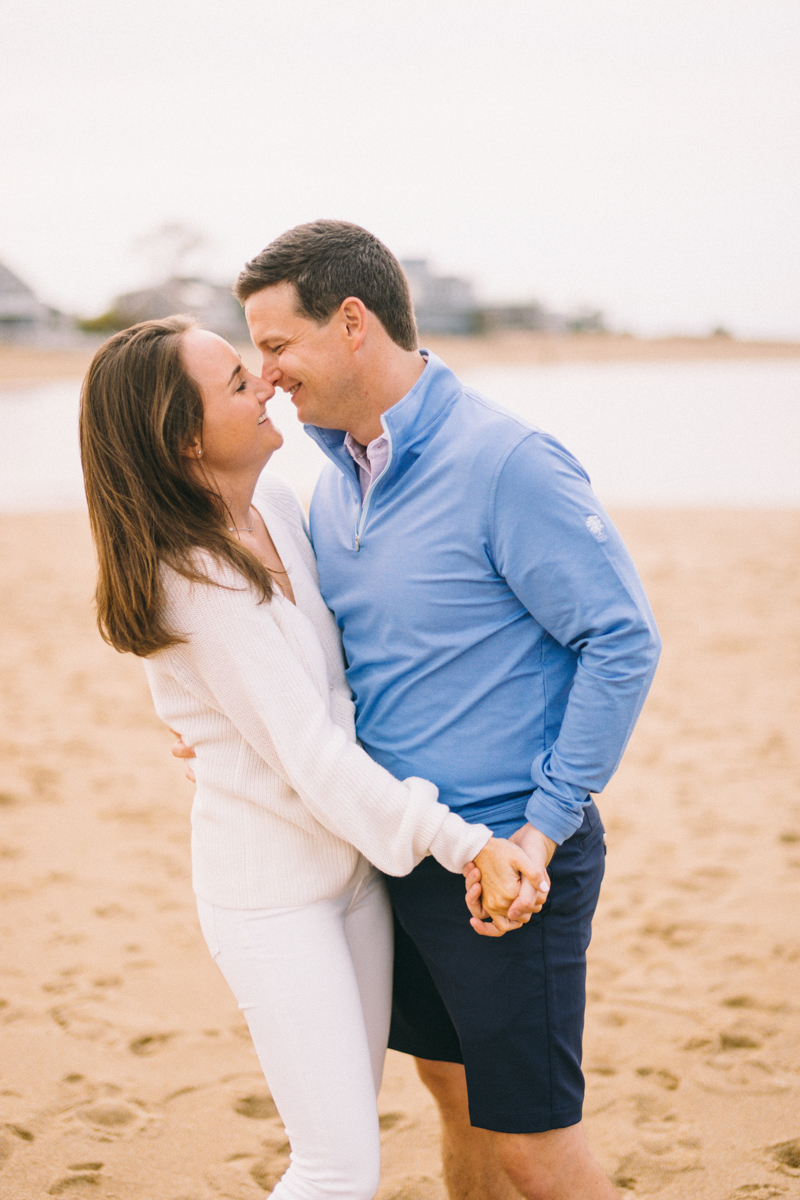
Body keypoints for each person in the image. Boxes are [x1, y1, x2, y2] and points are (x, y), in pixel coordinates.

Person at [183, 219, 661, 1200]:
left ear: (351, 322)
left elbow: (619, 640)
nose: (265, 374)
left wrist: (539, 830)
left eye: (276, 345)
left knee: (532, 1146)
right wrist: (227, 735)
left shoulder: (505, 461)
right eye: (253, 356)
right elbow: (323, 661)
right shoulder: (323, 481)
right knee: (448, 1094)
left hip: (505, 859)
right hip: (398, 849)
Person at [78, 316, 545, 1200]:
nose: (264, 383)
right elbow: (312, 754)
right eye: (236, 382)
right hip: (273, 900)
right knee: (335, 1169)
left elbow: (347, 673)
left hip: (355, 878)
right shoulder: (191, 577)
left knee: (349, 1140)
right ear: (184, 438)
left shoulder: (281, 510)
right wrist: (466, 842)